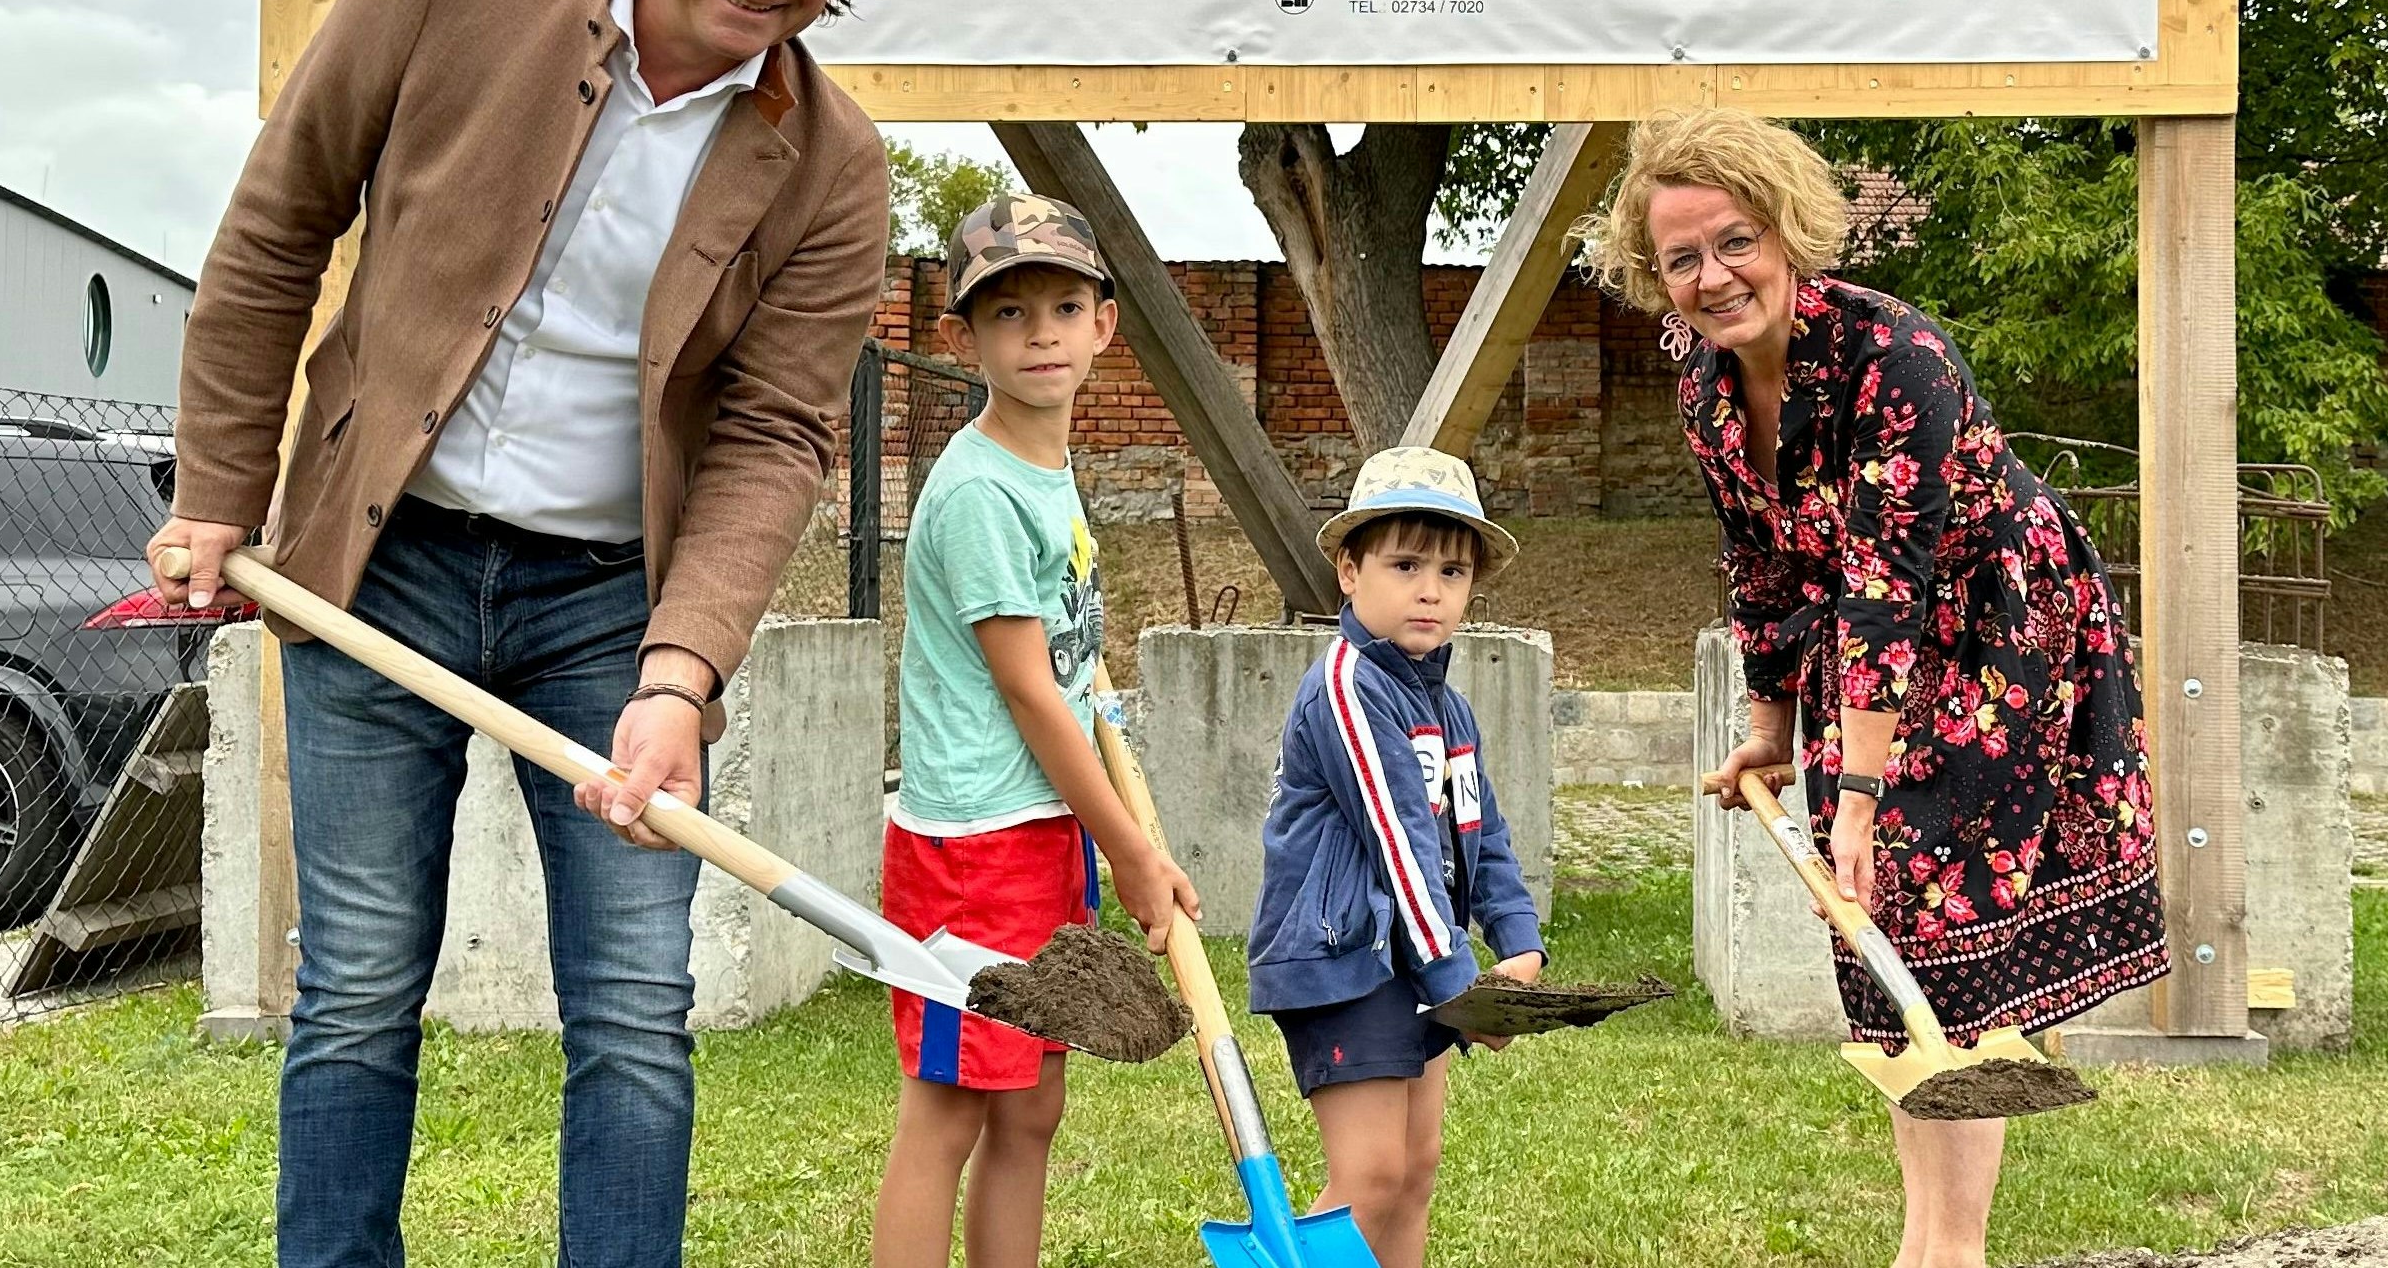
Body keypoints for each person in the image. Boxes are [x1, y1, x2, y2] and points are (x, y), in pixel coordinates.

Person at [148, 0, 890, 1262]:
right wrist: (226, 494)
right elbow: (277, 227)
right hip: (379, 565)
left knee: (631, 1009)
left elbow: (771, 433)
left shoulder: (834, 166)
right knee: (354, 984)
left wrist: (681, 674)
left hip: (616, 607)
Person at [1580, 108, 2169, 1268]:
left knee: (1937, 920)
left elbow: (1883, 579)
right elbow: (1757, 564)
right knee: (1883, 934)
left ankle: (1945, 1253)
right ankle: (1932, 1244)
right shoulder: (1704, 393)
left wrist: (1852, 792)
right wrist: (1765, 731)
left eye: (1734, 241)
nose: (1711, 276)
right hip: (1867, 656)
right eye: (1681, 257)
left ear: (1788, 231)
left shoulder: (1893, 357)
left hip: (1996, 636)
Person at [870, 194, 1202, 1268]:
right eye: (1009, 314)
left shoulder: (1043, 472)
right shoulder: (974, 491)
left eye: (1065, 305)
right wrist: (1135, 855)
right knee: (952, 1112)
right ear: (963, 339)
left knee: (1030, 1110)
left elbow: (1070, 667)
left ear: (1105, 324)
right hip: (975, 846)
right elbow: (1029, 695)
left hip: (1037, 829)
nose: (1042, 332)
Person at [1244, 446, 1547, 1268]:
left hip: (1410, 961)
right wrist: (1460, 986)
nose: (1429, 589)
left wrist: (1517, 935)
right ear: (1349, 570)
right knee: (1369, 1174)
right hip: (1342, 958)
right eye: (1405, 563)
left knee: (1413, 1172)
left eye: (1452, 572)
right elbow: (1399, 841)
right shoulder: (1348, 685)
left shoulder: (1444, 703)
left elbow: (1479, 830)